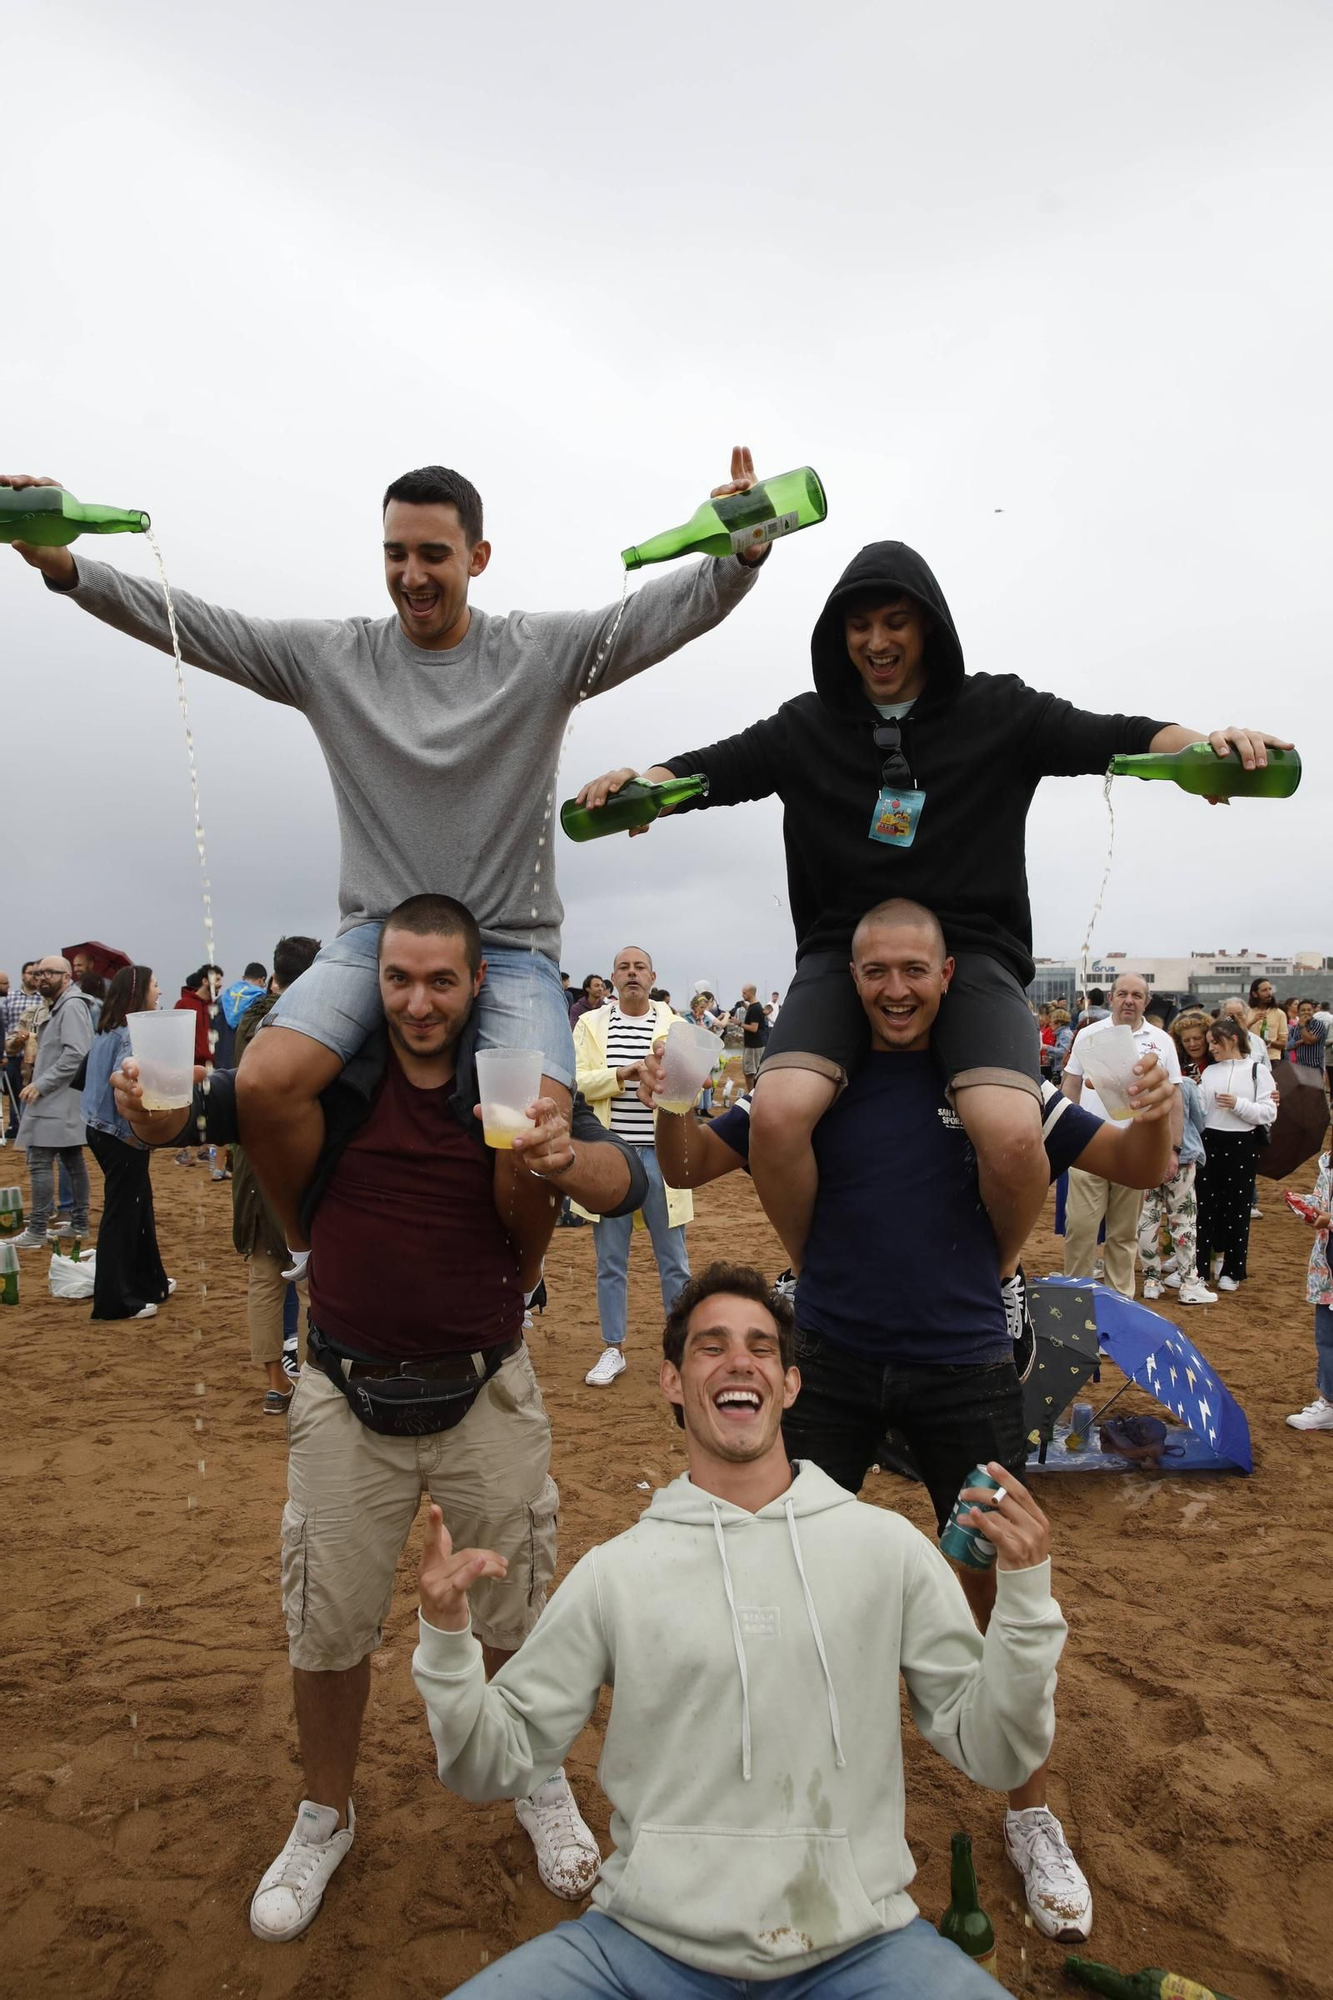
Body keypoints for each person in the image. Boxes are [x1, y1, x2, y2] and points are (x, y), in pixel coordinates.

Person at [3, 455, 771, 1262]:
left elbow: (662, 615)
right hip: (376, 937)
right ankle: (312, 1254)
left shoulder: (537, 652)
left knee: (535, 1124)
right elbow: (192, 625)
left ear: (476, 557)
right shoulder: (333, 657)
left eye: (433, 554)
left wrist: (742, 550)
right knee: (263, 1080)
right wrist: (64, 565)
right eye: (395, 553)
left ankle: (511, 1286)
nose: (411, 574)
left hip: (507, 947)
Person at [573, 539, 1285, 1344]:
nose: (876, 642)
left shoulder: (997, 712)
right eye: (858, 626)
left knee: (1012, 1131)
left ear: (930, 626)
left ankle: (994, 1280)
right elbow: (709, 771)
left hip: (973, 950)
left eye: (895, 621)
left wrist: (1199, 751)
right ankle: (816, 1277)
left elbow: (1110, 735)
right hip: (841, 952)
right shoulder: (806, 727)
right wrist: (643, 790)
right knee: (776, 1115)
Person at [112, 892, 651, 1940]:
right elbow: (208, 1106)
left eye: (440, 980)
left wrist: (556, 1154)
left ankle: (535, 1777)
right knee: (326, 1623)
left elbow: (621, 1174)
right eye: (397, 979)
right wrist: (157, 1111)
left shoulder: (509, 1084)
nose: (416, 1001)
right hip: (342, 1394)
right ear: (373, 981)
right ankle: (326, 1811)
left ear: (476, 982)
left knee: (516, 1614)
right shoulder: (339, 1080)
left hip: (487, 1387)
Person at [641, 898, 1175, 1940]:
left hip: (964, 1367)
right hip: (828, 1366)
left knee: (995, 1589)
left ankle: (1027, 1812)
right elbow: (686, 1165)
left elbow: (1140, 1166)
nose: (892, 988)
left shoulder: (995, 1089)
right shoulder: (814, 1084)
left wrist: (1155, 1109)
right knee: (785, 1581)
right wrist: (671, 1091)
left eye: (912, 970)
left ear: (945, 977)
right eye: (873, 969)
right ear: (850, 979)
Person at [412, 1261, 1066, 1998]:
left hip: (862, 1950)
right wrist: (445, 1640)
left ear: (789, 1385)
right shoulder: (616, 1573)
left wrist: (1024, 1600)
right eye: (710, 1345)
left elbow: (1000, 1752)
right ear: (669, 1381)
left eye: (761, 1347)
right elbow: (486, 1765)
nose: (738, 1362)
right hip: (637, 1949)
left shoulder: (888, 1552)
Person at [574, 946, 691, 1387]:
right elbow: (577, 1081)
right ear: (612, 978)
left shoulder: (675, 1025)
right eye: (624, 967)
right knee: (610, 1258)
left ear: (653, 975)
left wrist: (663, 1076)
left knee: (674, 1259)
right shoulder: (590, 1024)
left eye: (639, 967)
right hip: (611, 1157)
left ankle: (680, 1351)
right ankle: (613, 1348)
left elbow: (690, 1083)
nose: (632, 974)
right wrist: (624, 1074)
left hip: (662, 1155)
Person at [231, 936, 322, 1413]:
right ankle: (313, 1382)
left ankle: (276, 1383)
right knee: (316, 1281)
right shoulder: (308, 1020)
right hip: (297, 1161)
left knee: (265, 1274)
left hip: (251, 1163)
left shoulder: (250, 1020)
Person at [1062, 973, 1183, 1298]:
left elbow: (1174, 1098)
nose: (1130, 1000)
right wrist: (1063, 1134)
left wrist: (1172, 1149)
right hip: (1088, 1147)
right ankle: (1076, 1310)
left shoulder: (1162, 1041)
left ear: (1146, 1000)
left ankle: (1120, 1314)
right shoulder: (1088, 1034)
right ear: (1113, 997)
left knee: (1124, 1237)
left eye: (1137, 995)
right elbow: (1071, 1085)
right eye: (1123, 994)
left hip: (1135, 1152)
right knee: (1080, 1232)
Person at [81, 965, 172, 1320]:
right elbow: (128, 1070)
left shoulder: (108, 1028)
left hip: (100, 1128)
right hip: (120, 1134)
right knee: (122, 1213)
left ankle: (151, 1282)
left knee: (138, 1204)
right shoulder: (130, 1034)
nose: (160, 991)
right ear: (139, 993)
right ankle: (113, 1301)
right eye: (156, 984)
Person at [10, 957, 94, 1252]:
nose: (42, 977)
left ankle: (36, 1230)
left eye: (50, 973)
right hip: (60, 1098)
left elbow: (77, 1054)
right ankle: (80, 1223)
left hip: (55, 1098)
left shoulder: (71, 1006)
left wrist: (41, 1083)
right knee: (72, 1160)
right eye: (39, 972)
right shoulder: (60, 1005)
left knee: (40, 1161)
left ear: (67, 977)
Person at [1195, 1014, 1277, 1292]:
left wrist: (1238, 1104)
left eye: (1215, 1042)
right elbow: (1201, 1109)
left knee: (1237, 1208)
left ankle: (1232, 1269)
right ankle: (1200, 1267)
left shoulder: (1257, 1070)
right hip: (1210, 1141)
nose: (1212, 1048)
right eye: (1209, 1044)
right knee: (1205, 1206)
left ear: (1232, 1040)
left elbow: (1268, 1112)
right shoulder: (1209, 1071)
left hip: (1242, 1144)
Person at [1137, 1064, 1214, 1305]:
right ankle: (1189, 1281)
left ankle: (1151, 1280)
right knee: (1183, 1220)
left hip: (1149, 1157)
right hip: (1181, 1158)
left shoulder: (1140, 1088)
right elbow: (1200, 1122)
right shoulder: (1186, 1085)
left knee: (1148, 1218)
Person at [1286, 1149, 1332, 1432]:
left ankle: (1329, 1403)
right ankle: (1329, 1401)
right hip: (1327, 1268)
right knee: (1326, 1337)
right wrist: (1307, 1205)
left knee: (1328, 1339)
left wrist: (1329, 1218)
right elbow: (1323, 1201)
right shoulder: (1328, 1162)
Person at [2, 961, 39, 1138]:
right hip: (14, 1054)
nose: (33, 976)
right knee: (14, 1090)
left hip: (35, 1055)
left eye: (36, 973)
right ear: (23, 975)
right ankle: (15, 1125)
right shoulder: (11, 997)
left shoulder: (42, 999)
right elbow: (5, 1025)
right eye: (30, 973)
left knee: (33, 1091)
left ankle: (32, 1127)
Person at [1246, 977, 1288, 1063]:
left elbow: (1283, 1043)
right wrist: (1252, 1022)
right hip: (1251, 1059)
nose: (1269, 993)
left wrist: (1269, 1042)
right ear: (1255, 994)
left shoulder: (1279, 1014)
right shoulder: (1246, 1012)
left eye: (1270, 989)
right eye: (1264, 990)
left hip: (1272, 1059)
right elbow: (1238, 1033)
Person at [1221, 995, 1270, 1066]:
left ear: (1246, 1015)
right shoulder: (1217, 1042)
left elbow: (1267, 1071)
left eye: (1240, 1015)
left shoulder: (1259, 1042)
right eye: (1230, 1015)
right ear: (1223, 1017)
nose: (1236, 1019)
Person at [1289, 999, 1328, 1075]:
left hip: (1315, 1067)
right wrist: (1302, 1040)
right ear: (1298, 1013)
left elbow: (1309, 1041)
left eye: (1309, 1010)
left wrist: (1302, 1027)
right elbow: (1289, 1046)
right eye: (1303, 1010)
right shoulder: (1294, 1028)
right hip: (1299, 1067)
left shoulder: (1318, 1025)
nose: (1306, 1012)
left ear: (1313, 1011)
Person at [739, 981, 767, 1087]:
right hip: (756, 1044)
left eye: (744, 993)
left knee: (750, 1073)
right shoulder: (754, 1006)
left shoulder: (755, 1008)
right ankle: (753, 1094)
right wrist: (745, 1006)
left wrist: (739, 1023)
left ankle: (751, 1096)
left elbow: (754, 1028)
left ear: (751, 993)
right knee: (753, 1071)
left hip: (753, 1046)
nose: (742, 995)